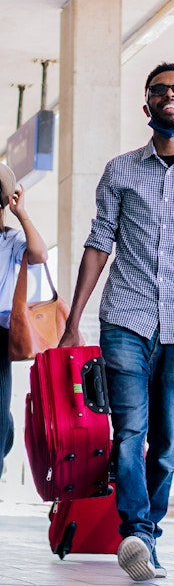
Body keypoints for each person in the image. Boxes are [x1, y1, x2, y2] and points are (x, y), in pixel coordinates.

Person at [58, 63, 174, 582]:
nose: (170, 96)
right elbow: (99, 246)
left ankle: (149, 537)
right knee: (129, 431)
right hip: (125, 318)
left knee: (165, 440)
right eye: (159, 90)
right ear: (147, 107)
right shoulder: (120, 170)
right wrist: (75, 321)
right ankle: (136, 532)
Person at [0, 164, 48, 477]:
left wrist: (22, 214)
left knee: (0, 418)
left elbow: (40, 254)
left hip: (0, 333)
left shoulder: (12, 239)